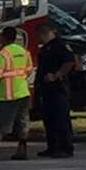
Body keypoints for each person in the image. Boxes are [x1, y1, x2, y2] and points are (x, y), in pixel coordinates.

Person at [0, 27, 33, 162]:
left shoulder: (2, 55)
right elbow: (28, 70)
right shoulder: (24, 52)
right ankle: (22, 150)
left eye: (0, 36)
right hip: (23, 92)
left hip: (6, 96)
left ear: (4, 38)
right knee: (22, 122)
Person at [35, 23, 75, 158]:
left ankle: (66, 147)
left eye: (40, 36)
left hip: (58, 88)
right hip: (47, 89)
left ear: (44, 34)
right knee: (49, 119)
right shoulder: (46, 48)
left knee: (61, 118)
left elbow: (69, 62)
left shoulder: (60, 46)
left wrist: (56, 75)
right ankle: (53, 147)